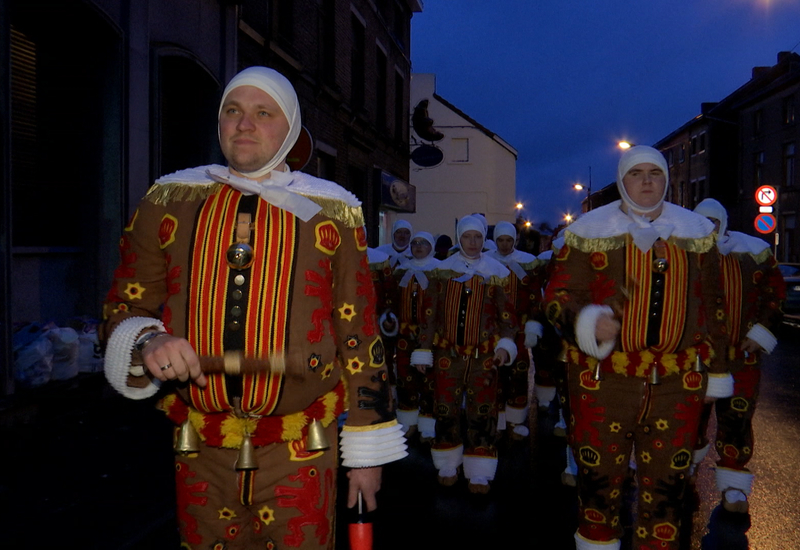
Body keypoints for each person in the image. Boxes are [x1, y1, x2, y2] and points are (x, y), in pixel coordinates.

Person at [100, 66, 406, 549]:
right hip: (199, 447)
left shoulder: (333, 211)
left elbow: (359, 334)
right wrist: (147, 339)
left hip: (304, 448)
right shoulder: (170, 199)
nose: (244, 124)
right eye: (232, 111)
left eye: (263, 113)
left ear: (290, 131)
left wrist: (367, 453)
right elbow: (123, 302)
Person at [543, 146, 730, 550]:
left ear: (666, 180)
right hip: (603, 380)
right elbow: (557, 296)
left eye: (655, 173)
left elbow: (715, 305)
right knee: (598, 480)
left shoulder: (696, 234)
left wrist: (717, 367)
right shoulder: (588, 233)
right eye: (636, 174)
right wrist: (588, 322)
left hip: (679, 381)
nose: (646, 181)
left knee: (667, 485)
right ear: (622, 182)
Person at [692, 198, 785, 513]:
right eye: (703, 221)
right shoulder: (683, 252)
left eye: (714, 221)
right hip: (697, 358)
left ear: (723, 221)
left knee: (737, 419)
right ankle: (685, 468)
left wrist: (761, 332)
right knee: (690, 418)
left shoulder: (752, 253)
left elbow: (775, 294)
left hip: (740, 358)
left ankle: (733, 485)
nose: (709, 227)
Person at [412, 215, 517, 494]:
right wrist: (423, 348)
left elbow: (508, 315)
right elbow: (429, 313)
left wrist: (506, 345)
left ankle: (479, 468)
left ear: (484, 239)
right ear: (459, 238)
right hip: (448, 353)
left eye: (478, 237)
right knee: (445, 406)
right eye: (468, 237)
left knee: (482, 409)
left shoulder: (497, 273)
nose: (473, 242)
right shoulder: (442, 271)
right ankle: (447, 461)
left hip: (485, 355)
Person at [489, 221, 544, 440]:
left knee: (519, 372)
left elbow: (534, 296)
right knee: (495, 373)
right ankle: (498, 419)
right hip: (494, 328)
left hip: (519, 328)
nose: (504, 244)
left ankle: (515, 420)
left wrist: (532, 324)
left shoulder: (527, 263)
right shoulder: (488, 262)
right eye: (500, 240)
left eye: (508, 240)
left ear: (515, 241)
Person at [387, 231, 441, 441]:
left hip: (430, 334)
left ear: (431, 247)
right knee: (405, 376)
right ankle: (408, 420)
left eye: (423, 243)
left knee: (429, 378)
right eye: (415, 243)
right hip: (404, 333)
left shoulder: (439, 271)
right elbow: (392, 299)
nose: (418, 247)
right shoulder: (402, 271)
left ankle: (428, 422)